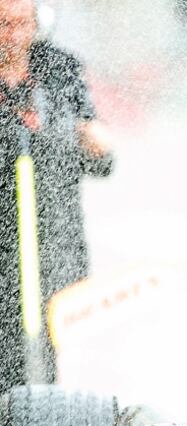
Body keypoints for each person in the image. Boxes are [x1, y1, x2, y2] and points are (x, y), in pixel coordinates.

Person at [0, 0, 114, 394]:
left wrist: (95, 140)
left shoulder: (59, 67)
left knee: (46, 346)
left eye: (22, 24)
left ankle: (39, 425)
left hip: (52, 237)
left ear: (39, 23)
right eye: (3, 25)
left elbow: (96, 153)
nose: (14, 37)